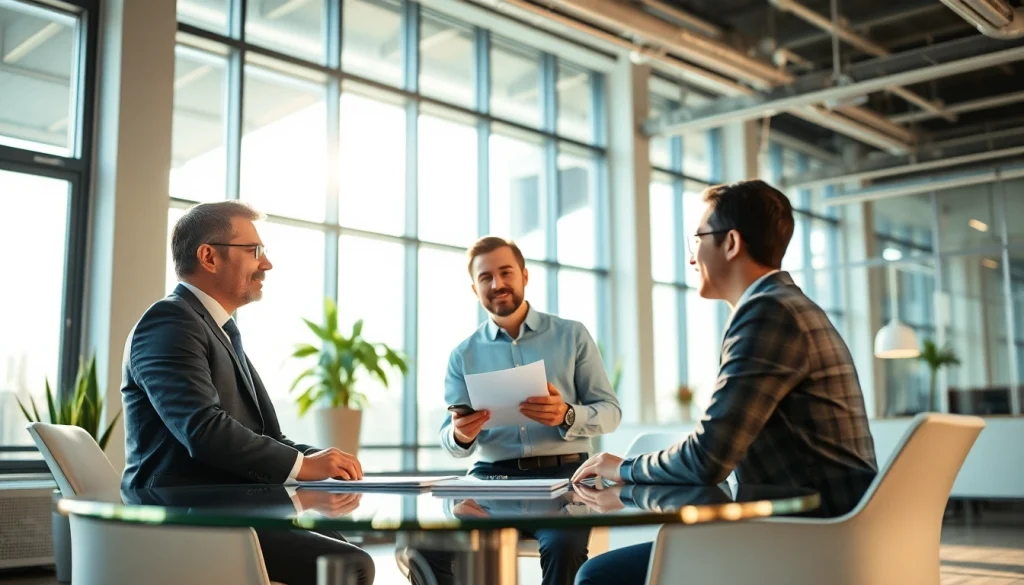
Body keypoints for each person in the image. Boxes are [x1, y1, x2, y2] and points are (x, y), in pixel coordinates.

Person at [570, 180, 878, 585]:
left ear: (731, 243)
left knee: (598, 576)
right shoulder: (787, 305)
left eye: (697, 238)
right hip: (831, 529)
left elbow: (707, 459)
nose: (692, 256)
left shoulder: (768, 313)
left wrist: (625, 468)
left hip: (808, 539)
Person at [120, 201, 375, 585]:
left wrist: (320, 460)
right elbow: (203, 430)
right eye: (254, 251)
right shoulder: (169, 321)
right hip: (183, 516)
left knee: (343, 550)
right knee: (347, 565)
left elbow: (265, 435)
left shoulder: (216, 329)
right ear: (208, 256)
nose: (266, 264)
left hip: (222, 507)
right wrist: (304, 467)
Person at [411, 236, 621, 585]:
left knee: (562, 547)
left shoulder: (572, 335)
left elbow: (610, 412)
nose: (497, 284)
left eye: (506, 272)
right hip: (490, 483)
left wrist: (567, 414)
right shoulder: (463, 355)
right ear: (474, 288)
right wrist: (461, 434)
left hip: (565, 481)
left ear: (524, 275)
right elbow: (449, 437)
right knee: (424, 545)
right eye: (485, 277)